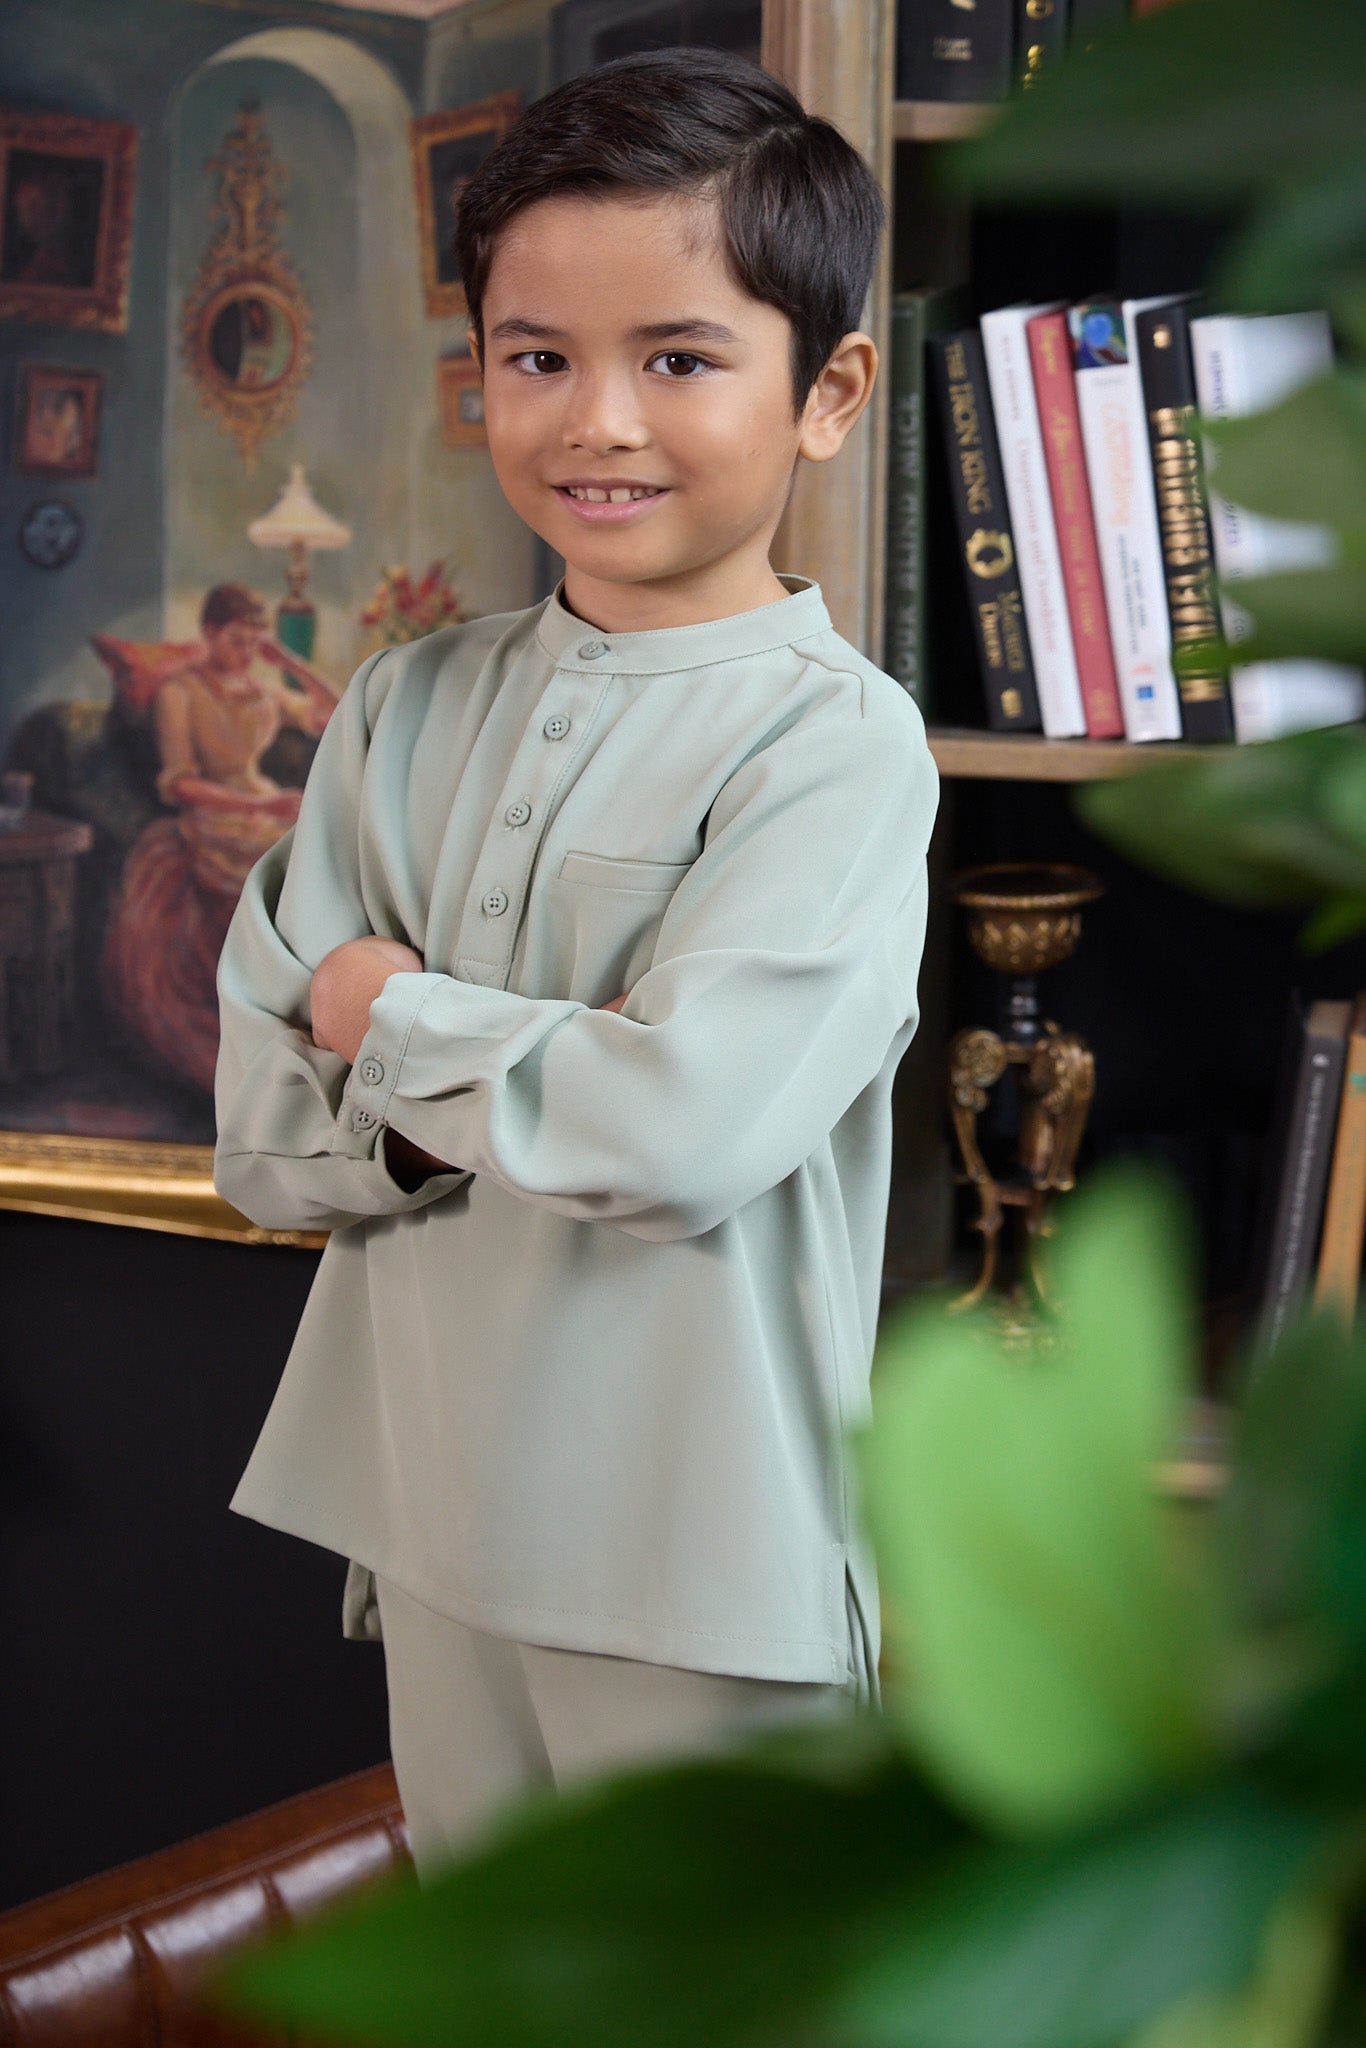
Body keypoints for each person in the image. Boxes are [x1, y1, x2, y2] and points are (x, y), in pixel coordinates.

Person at [214, 49, 938, 1872]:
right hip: (432, 1515)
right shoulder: (401, 702)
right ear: (481, 380)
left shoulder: (836, 748)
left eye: (678, 358)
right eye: (537, 357)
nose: (596, 418)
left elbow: (678, 1132)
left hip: (703, 1558)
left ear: (829, 390)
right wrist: (528, 1065)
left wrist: (381, 1008)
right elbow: (262, 1136)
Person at [104, 583, 336, 1093]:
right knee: (279, 871)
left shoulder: (259, 687)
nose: (247, 652)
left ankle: (318, 1019)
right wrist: (260, 805)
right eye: (236, 640)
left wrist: (291, 663)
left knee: (330, 861)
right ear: (209, 634)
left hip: (265, 806)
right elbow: (181, 783)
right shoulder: (180, 693)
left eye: (255, 642)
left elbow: (337, 713)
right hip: (211, 815)